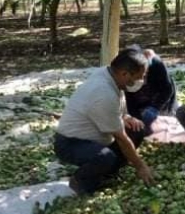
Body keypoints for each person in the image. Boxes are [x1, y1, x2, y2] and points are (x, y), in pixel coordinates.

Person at [53, 47, 154, 195]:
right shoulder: (103, 92)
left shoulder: (109, 75)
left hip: (95, 137)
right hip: (70, 143)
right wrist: (141, 166)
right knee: (105, 157)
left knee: (136, 129)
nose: (141, 81)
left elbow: (118, 104)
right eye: (139, 77)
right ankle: (80, 181)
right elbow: (121, 138)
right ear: (124, 73)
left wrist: (126, 116)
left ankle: (107, 171)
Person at [125, 47, 176, 136]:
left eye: (145, 74)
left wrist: (154, 108)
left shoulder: (156, 64)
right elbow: (129, 98)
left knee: (163, 121)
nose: (143, 77)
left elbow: (167, 89)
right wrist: (136, 117)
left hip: (157, 95)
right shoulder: (126, 72)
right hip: (140, 97)